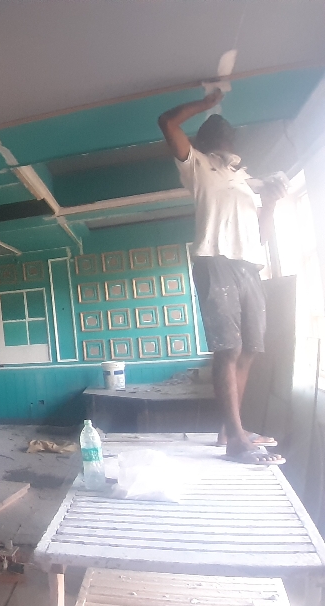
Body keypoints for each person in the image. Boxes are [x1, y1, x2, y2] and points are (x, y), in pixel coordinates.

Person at [158, 90, 284, 465]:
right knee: (228, 348)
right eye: (216, 130)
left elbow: (261, 237)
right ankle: (236, 442)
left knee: (250, 349)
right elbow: (167, 122)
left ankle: (231, 431)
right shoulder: (196, 165)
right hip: (215, 261)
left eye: (227, 131)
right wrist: (206, 104)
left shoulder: (246, 181)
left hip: (249, 266)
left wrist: (271, 202)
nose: (223, 133)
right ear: (206, 141)